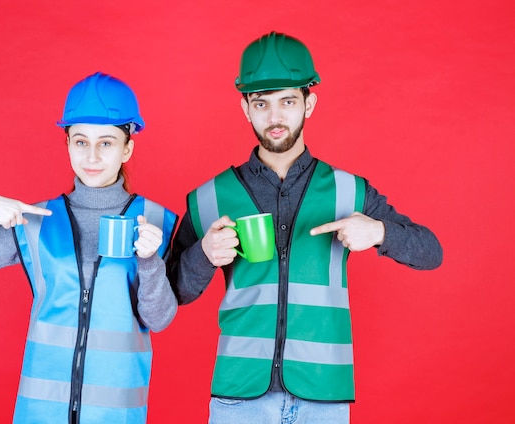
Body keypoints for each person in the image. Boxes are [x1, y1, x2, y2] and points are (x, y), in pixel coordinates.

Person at [169, 32, 443, 424]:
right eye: (261, 103)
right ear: (245, 108)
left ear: (309, 104)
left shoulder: (350, 191)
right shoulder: (209, 197)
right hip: (238, 398)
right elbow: (172, 293)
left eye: (288, 102)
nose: (275, 117)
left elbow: (432, 253)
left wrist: (380, 232)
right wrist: (203, 256)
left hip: (323, 397)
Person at [0, 72, 179, 424]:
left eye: (107, 143)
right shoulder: (38, 220)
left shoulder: (155, 220)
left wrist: (149, 261)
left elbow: (159, 320)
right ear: (67, 144)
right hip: (40, 411)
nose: (92, 155)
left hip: (115, 413)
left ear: (128, 147)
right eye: (80, 141)